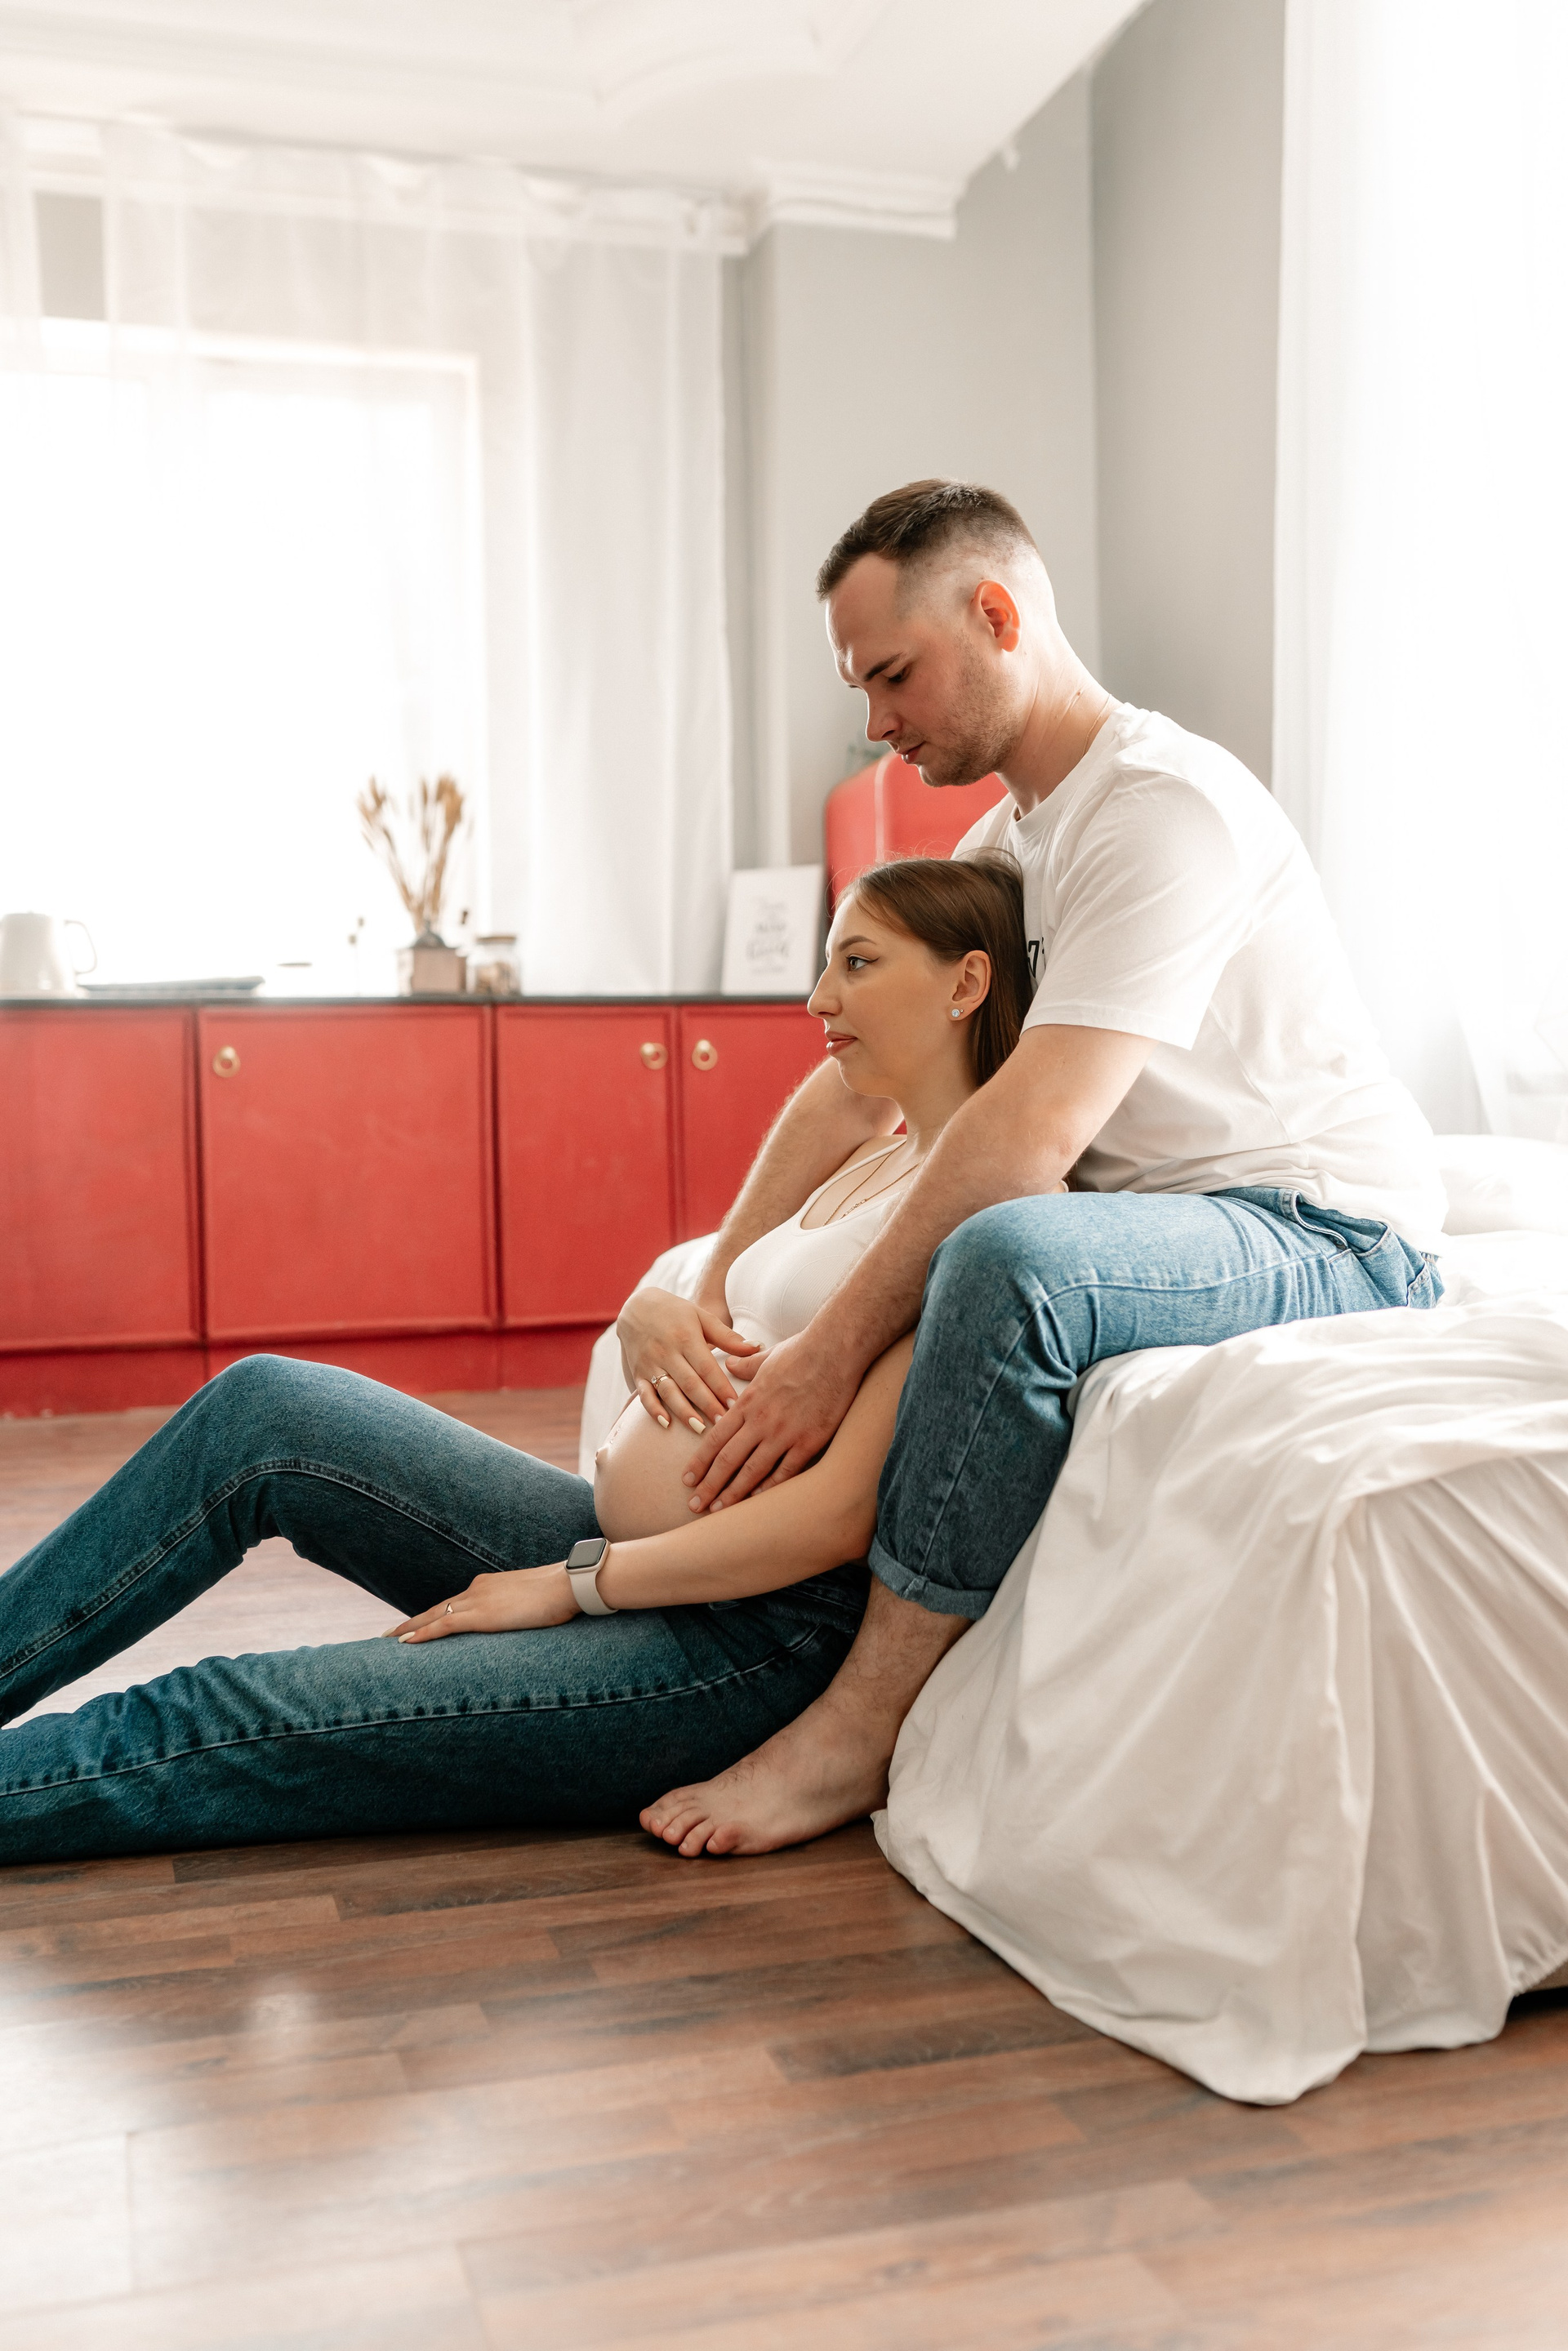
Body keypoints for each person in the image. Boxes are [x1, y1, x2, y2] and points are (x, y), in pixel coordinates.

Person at [630, 476, 1447, 1860]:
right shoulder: (1003, 843)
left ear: (999, 616)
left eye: (894, 673)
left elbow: (1025, 1140)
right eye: (861, 685)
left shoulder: (1162, 809)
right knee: (980, 1239)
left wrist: (825, 1357)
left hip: (1324, 1226)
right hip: (1172, 1218)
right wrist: (713, 1277)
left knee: (1009, 1254)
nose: (877, 722)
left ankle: (858, 1726)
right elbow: (862, 1078)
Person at [0, 857, 1029, 1865]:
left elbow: (838, 1516)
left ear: (967, 981)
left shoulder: (982, 1219)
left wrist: (572, 1584)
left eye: (857, 963)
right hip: (633, 1553)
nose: (818, 997)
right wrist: (658, 1306)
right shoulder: (873, 1151)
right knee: (263, 1407)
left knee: (219, 1706)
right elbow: (763, 1236)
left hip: (743, 1644)